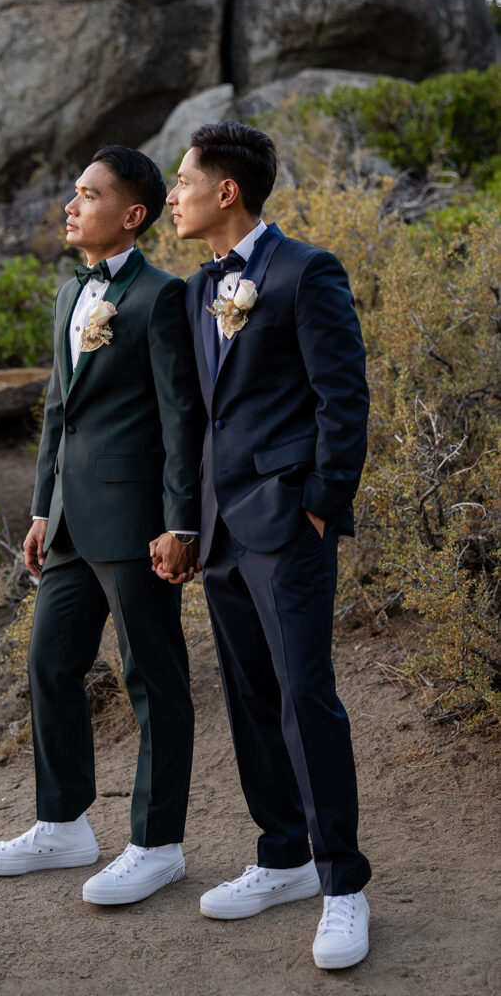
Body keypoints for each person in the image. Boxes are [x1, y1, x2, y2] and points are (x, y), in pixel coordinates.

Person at [160, 121, 372, 969]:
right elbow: (198, 419)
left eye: (182, 180)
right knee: (249, 696)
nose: (171, 195)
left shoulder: (304, 270)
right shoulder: (194, 289)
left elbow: (342, 394)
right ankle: (281, 854)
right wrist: (185, 521)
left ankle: (344, 885)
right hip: (219, 531)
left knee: (302, 697)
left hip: (286, 524)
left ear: (226, 192)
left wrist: (320, 504)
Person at [0, 145, 204, 906]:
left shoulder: (162, 297)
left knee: (152, 678)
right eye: (72, 193)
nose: (70, 205)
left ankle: (157, 843)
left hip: (138, 525)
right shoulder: (71, 293)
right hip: (69, 524)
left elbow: (181, 420)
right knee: (49, 666)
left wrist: (181, 523)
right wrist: (42, 508)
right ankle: (64, 824)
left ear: (131, 215)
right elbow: (58, 412)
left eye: (87, 194)